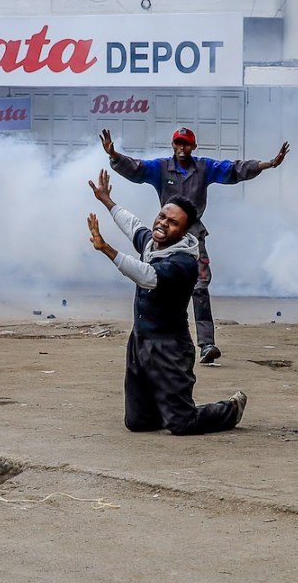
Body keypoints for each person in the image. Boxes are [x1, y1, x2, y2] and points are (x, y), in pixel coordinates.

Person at [103, 127, 289, 364]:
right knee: (153, 282)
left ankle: (207, 344)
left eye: (186, 144)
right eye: (178, 144)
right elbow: (137, 169)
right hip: (165, 236)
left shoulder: (203, 168)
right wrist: (115, 156)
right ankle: (155, 339)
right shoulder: (161, 168)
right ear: (173, 145)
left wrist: (268, 164)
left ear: (194, 147)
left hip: (193, 236)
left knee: (200, 287)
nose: (182, 148)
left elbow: (234, 170)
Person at [88, 168, 246, 435]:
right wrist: (106, 200)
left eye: (173, 223)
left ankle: (229, 410)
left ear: (184, 231)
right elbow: (133, 225)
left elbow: (147, 276)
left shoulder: (184, 263)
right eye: (162, 216)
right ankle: (165, 407)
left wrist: (106, 249)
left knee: (182, 424)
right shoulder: (153, 243)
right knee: (138, 423)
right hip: (139, 341)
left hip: (169, 347)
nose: (162, 224)